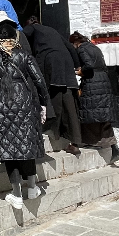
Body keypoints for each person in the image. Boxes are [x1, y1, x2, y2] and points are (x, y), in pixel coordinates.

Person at [0, 19, 49, 210]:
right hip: (25, 103)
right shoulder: (25, 55)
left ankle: (17, 194)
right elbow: (39, 81)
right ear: (15, 38)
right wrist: (43, 102)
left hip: (1, 105)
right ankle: (32, 187)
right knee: (26, 144)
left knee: (9, 148)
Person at [24, 16, 82, 158]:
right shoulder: (52, 30)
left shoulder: (33, 28)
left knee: (53, 96)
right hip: (66, 64)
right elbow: (70, 47)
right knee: (69, 101)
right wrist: (77, 65)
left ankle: (52, 129)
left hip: (51, 63)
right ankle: (75, 141)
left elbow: (23, 37)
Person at [71, 31, 119, 164]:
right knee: (102, 115)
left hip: (92, 84)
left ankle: (91, 141)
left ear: (75, 43)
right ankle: (113, 147)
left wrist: (80, 72)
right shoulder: (95, 48)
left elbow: (88, 66)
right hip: (103, 81)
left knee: (89, 114)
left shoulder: (82, 49)